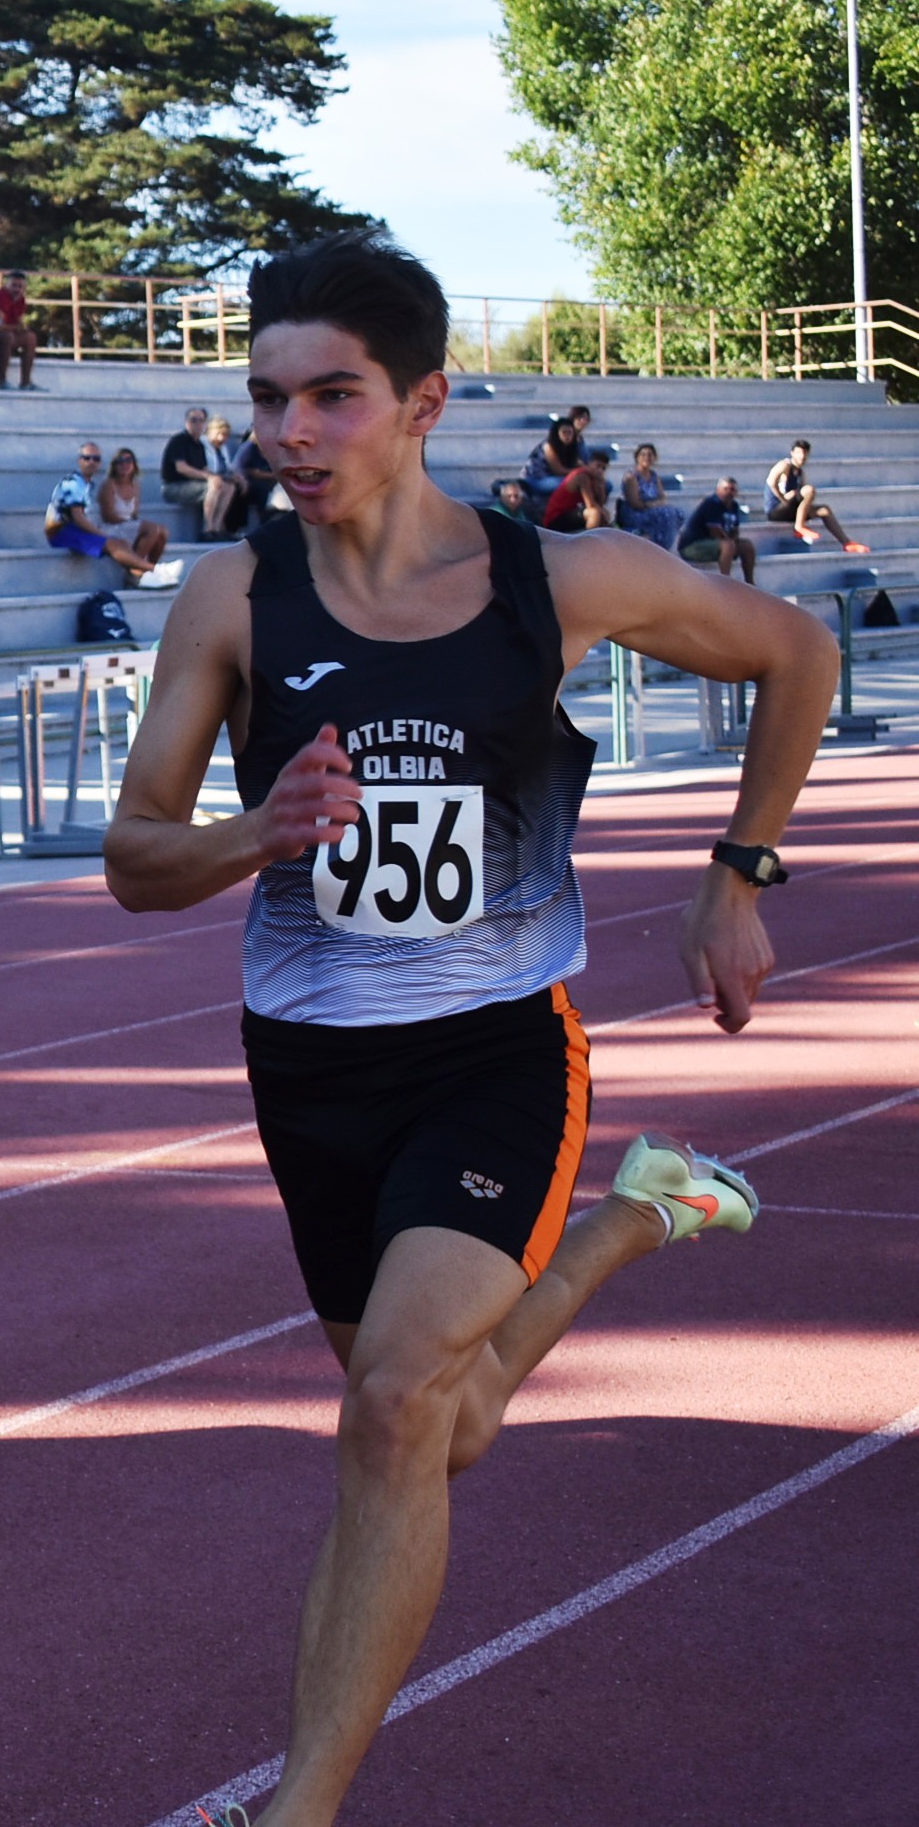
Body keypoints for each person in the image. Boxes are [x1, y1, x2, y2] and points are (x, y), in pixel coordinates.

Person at [103, 232, 836, 1827]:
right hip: (309, 1066)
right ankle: (629, 1222)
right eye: (267, 400)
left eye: (332, 398)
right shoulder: (234, 597)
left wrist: (739, 878)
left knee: (389, 1411)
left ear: (425, 403)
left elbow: (798, 650)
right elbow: (134, 859)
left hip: (496, 1047)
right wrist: (256, 832)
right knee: (448, 1421)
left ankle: (296, 1811)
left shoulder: (557, 580)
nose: (289, 434)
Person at [46, 441, 177, 586]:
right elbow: (78, 518)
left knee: (122, 543)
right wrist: (101, 534)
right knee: (113, 544)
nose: (91, 462)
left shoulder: (87, 483)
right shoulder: (73, 483)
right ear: (79, 460)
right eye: (87, 458)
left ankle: (141, 575)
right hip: (63, 531)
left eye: (96, 459)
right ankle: (156, 570)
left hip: (75, 529)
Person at [767, 439, 870, 551]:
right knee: (808, 490)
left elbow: (802, 498)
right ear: (792, 453)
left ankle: (847, 543)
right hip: (776, 510)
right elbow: (771, 483)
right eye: (799, 453)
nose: (802, 456)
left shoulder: (800, 473)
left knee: (824, 510)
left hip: (790, 510)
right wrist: (783, 499)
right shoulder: (785, 465)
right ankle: (799, 527)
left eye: (805, 453)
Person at [98, 445, 171, 568]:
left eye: (128, 461)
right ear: (114, 465)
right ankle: (134, 569)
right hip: (113, 527)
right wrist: (135, 525)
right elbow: (108, 516)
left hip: (128, 525)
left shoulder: (135, 485)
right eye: (120, 461)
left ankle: (146, 569)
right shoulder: (109, 485)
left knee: (163, 532)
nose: (124, 464)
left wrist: (135, 525)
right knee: (151, 529)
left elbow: (134, 514)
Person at [680, 474, 759, 581]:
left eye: (732, 490)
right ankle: (725, 582)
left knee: (746, 545)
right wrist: (731, 542)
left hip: (714, 544)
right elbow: (715, 532)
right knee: (728, 545)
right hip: (691, 546)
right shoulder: (712, 503)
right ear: (718, 490)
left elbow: (735, 529)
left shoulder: (734, 506)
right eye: (725, 489)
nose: (729, 492)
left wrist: (734, 539)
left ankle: (750, 583)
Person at [615, 441, 682, 550]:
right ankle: (658, 547)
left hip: (652, 509)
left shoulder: (654, 476)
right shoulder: (631, 477)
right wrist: (653, 505)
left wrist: (656, 504)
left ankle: (664, 547)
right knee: (665, 514)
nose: (647, 458)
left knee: (676, 512)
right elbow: (635, 503)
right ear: (637, 457)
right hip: (636, 513)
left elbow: (662, 497)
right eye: (643, 455)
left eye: (650, 455)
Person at [0, 269, 39, 390]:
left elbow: (18, 322)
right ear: (6, 285)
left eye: (20, 286)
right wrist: (16, 327)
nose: (17, 289)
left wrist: (21, 328)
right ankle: (1, 381)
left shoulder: (21, 300)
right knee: (8, 336)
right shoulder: (1, 296)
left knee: (30, 337)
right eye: (14, 285)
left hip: (6, 333)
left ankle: (26, 382)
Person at [161, 408, 217, 531]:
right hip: (174, 487)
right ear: (187, 422)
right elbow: (181, 468)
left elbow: (204, 468)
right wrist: (209, 477)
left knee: (227, 486)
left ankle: (217, 527)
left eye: (201, 420)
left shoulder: (200, 445)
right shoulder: (178, 440)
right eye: (193, 420)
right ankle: (208, 529)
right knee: (213, 486)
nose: (198, 424)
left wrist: (220, 478)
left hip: (192, 485)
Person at [539, 444, 614, 533]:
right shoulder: (582, 476)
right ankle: (589, 540)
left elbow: (600, 503)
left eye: (603, 468)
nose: (600, 470)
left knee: (602, 514)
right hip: (556, 518)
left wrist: (600, 486)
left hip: (571, 513)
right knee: (594, 513)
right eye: (598, 466)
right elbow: (590, 504)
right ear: (589, 463)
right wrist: (603, 513)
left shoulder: (595, 479)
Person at [203, 414, 254, 537]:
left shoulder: (222, 448)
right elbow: (204, 467)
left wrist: (239, 478)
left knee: (234, 487)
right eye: (218, 434)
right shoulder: (201, 445)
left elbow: (228, 468)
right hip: (204, 478)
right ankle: (208, 527)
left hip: (221, 479)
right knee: (219, 486)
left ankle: (219, 526)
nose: (221, 438)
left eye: (225, 435)